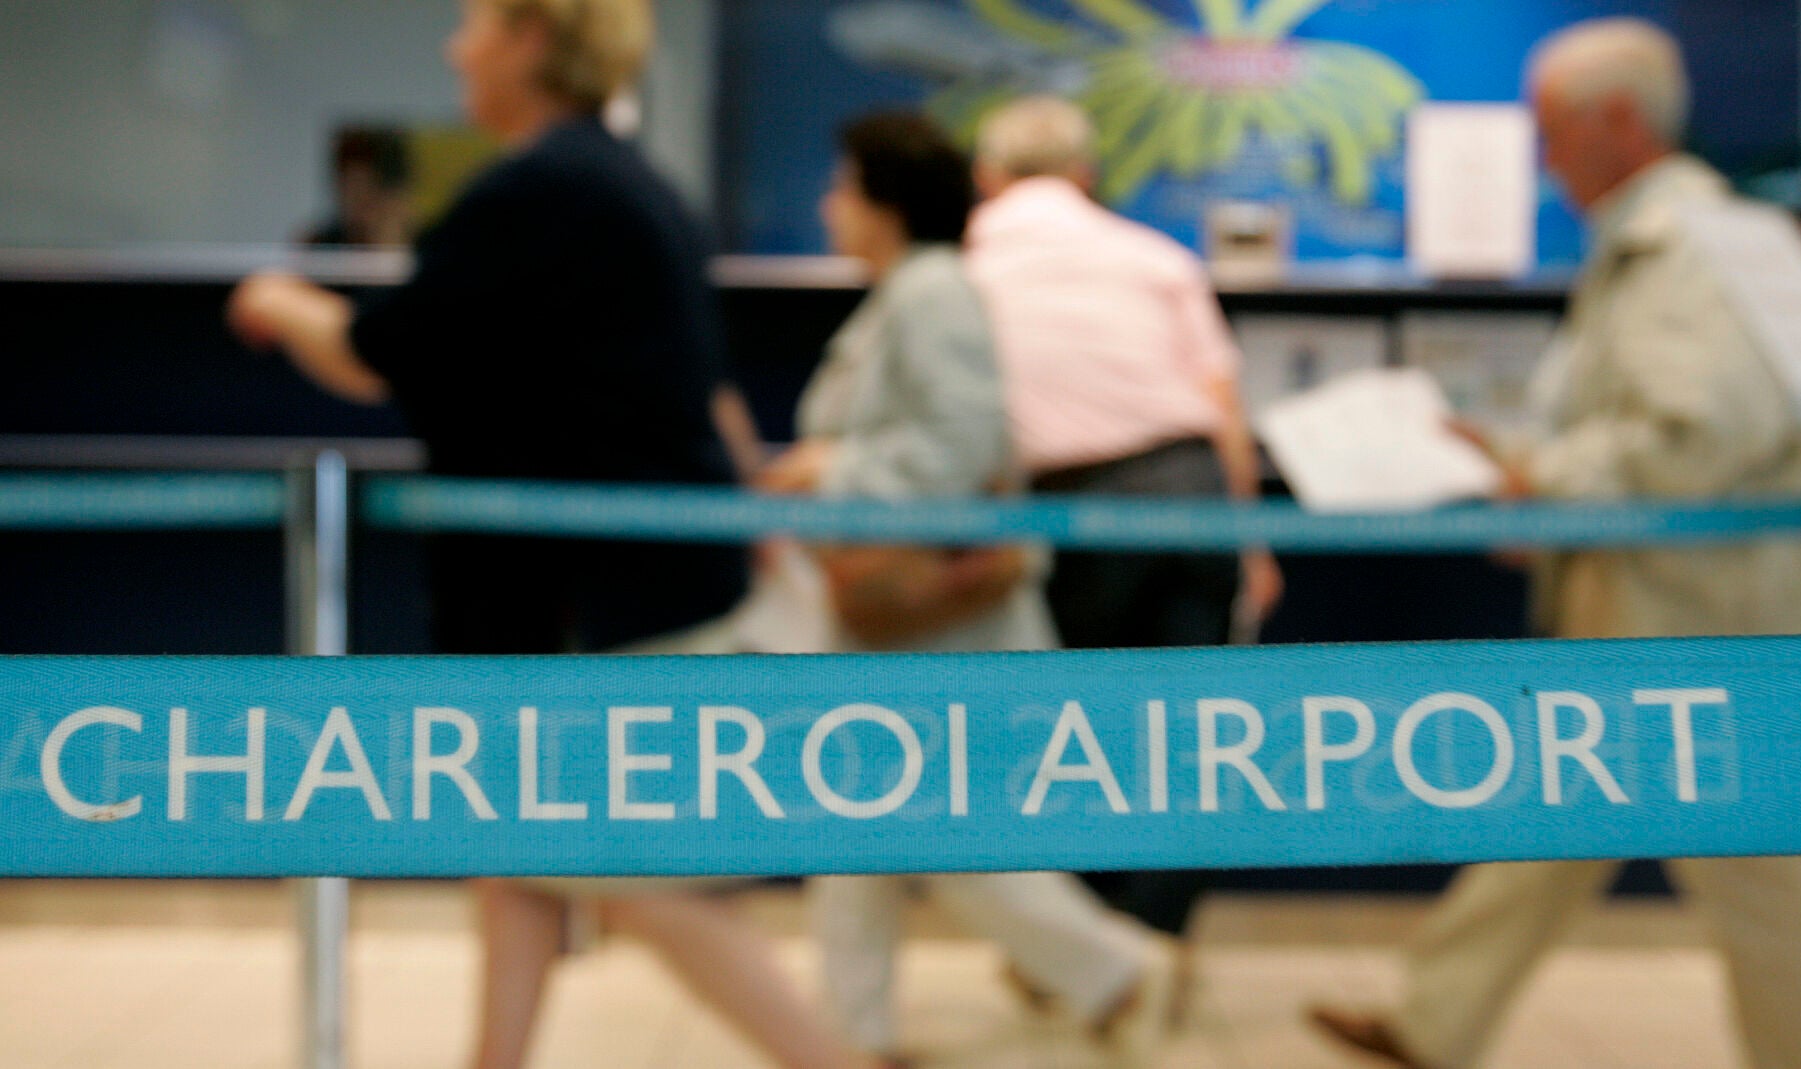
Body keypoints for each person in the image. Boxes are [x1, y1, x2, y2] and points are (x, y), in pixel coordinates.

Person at [228, 2, 890, 1068]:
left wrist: (279, 300)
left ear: (533, 40)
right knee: (518, 855)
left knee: (628, 876)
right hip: (626, 587)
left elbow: (375, 351)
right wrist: (752, 518)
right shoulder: (633, 186)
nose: (456, 49)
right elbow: (703, 386)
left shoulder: (536, 193)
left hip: (589, 604)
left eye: (476, 27)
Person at [1307, 19, 1801, 1069]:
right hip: (1651, 601)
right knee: (1561, 813)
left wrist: (1541, 477)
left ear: (1619, 121)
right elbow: (1648, 423)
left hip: (1701, 618)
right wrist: (1518, 466)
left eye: (1552, 132)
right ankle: (1435, 1018)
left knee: (1754, 862)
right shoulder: (1657, 244)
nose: (1543, 161)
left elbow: (1700, 433)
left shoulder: (1685, 245)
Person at [748, 111, 1172, 1067]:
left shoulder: (933, 293)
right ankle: (855, 1032)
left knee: (933, 829)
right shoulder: (909, 294)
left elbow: (961, 441)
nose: (828, 205)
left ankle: (1115, 971)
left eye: (843, 187)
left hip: (935, 621)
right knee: (867, 824)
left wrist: (828, 468)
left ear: (885, 202)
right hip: (898, 621)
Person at [962, 94, 1284, 966]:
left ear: (987, 177)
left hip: (1070, 512)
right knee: (1198, 740)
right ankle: (1153, 942)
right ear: (1086, 174)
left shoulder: (966, 269)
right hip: (1191, 494)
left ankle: (1097, 958)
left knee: (1074, 739)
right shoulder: (1157, 257)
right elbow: (1221, 408)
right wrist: (1250, 541)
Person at [302, 125, 414, 248]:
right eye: (351, 185)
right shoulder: (318, 243)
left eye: (367, 185)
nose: (360, 197)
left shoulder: (416, 241)